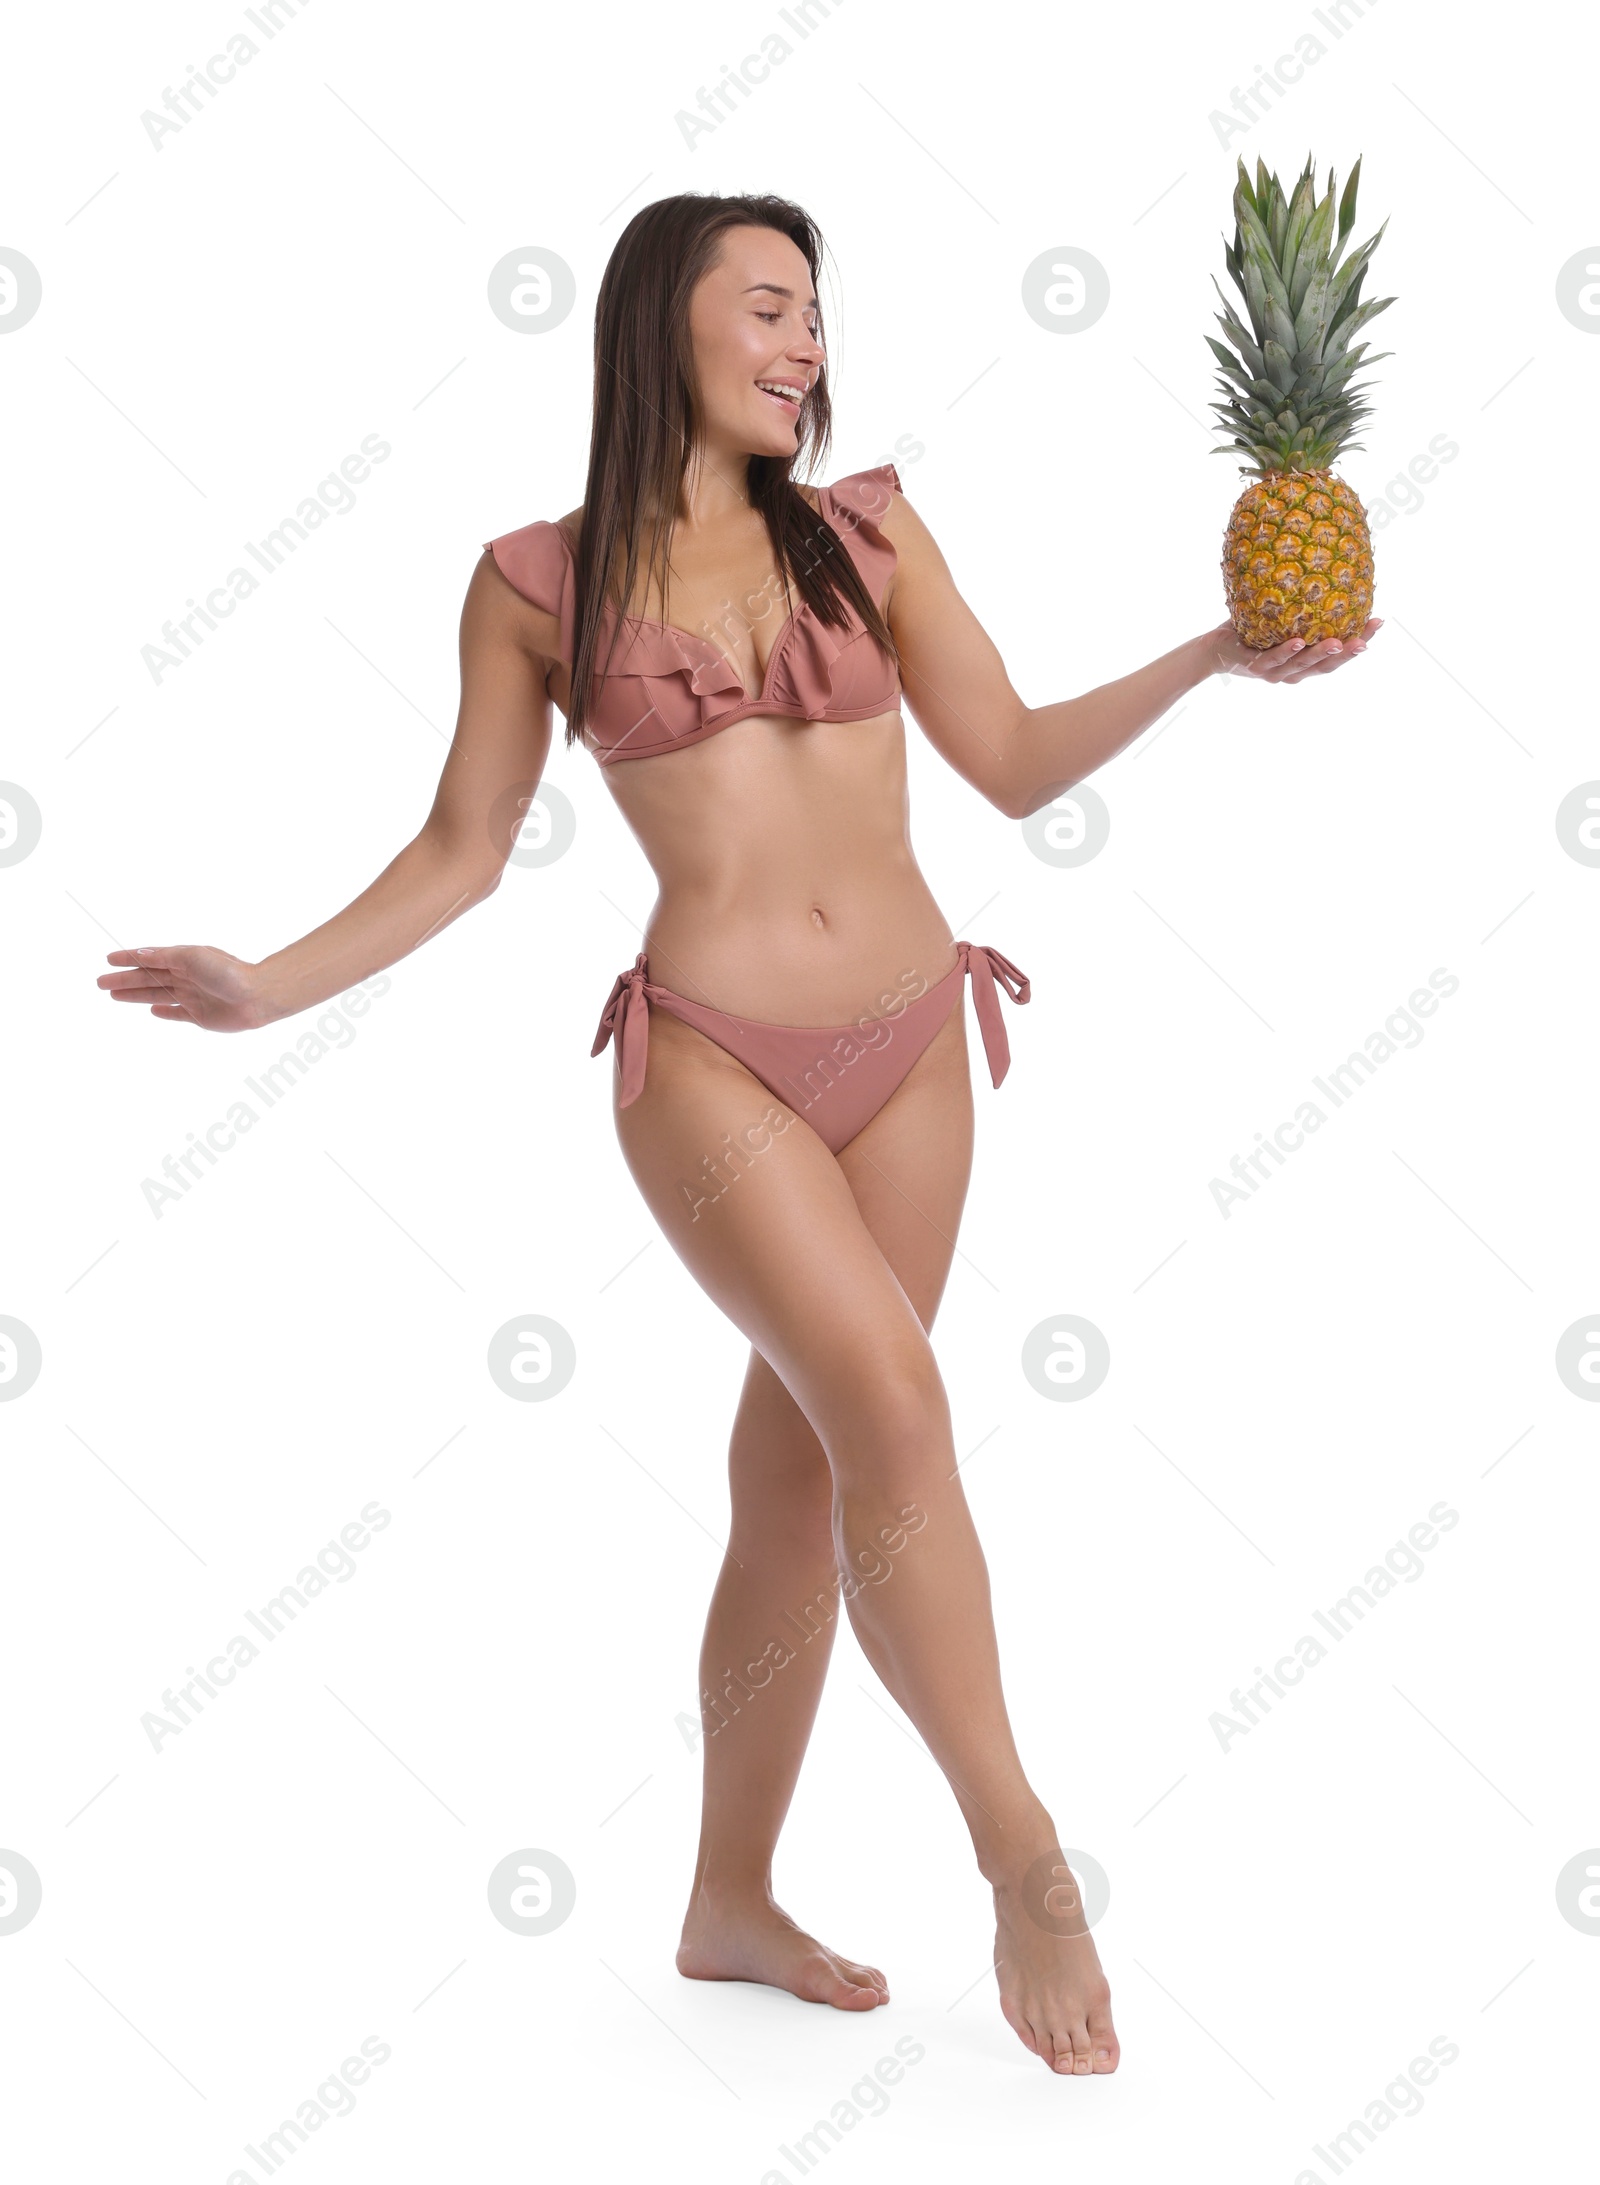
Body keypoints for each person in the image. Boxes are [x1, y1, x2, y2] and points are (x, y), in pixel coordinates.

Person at [98, 190, 1377, 2077]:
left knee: (803, 1475)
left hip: (917, 1047)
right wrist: (270, 986)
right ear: (661, 323)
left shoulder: (871, 531)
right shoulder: (537, 584)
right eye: (768, 307)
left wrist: (1211, 654)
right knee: (899, 1409)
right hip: (708, 1061)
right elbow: (464, 848)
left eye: (816, 317)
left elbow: (1008, 760)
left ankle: (728, 1900)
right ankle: (1021, 1844)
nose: (805, 345)